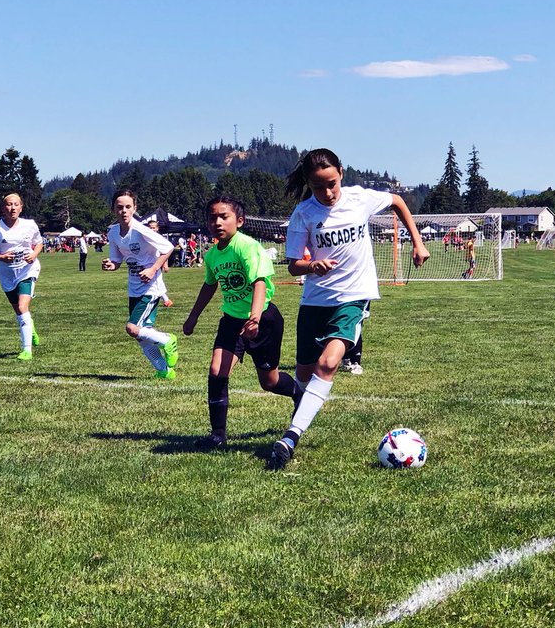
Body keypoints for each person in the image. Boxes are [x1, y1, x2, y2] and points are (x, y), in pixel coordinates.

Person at [271, 148, 429, 468]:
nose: (327, 192)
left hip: (353, 296)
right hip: (315, 302)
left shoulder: (359, 198)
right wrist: (311, 265)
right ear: (308, 184)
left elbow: (397, 202)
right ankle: (301, 412)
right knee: (303, 376)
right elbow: (293, 266)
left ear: (341, 173)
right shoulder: (303, 214)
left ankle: (290, 437)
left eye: (331, 183)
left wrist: (417, 242)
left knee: (328, 365)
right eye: (318, 186)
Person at [183, 195, 300, 447]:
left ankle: (298, 393)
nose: (217, 222)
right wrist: (193, 317)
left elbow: (259, 282)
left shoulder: (247, 247)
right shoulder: (213, 255)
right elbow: (209, 285)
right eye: (212, 217)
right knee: (217, 371)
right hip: (232, 321)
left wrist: (255, 317)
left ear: (240, 220)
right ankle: (218, 435)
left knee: (269, 382)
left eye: (224, 216)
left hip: (263, 319)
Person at [102, 189, 179, 379]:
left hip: (151, 288)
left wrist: (153, 269)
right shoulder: (113, 232)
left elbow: (168, 247)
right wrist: (110, 265)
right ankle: (164, 371)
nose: (124, 211)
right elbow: (117, 261)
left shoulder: (141, 229)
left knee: (132, 328)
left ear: (135, 208)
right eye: (120, 207)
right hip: (134, 287)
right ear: (113, 209)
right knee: (141, 334)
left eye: (128, 207)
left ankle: (168, 340)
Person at [0, 193, 43, 361]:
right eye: (9, 205)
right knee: (19, 311)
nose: (13, 208)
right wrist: (1, 257)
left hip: (27, 270)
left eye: (16, 204)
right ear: (3, 208)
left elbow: (39, 242)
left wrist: (34, 254)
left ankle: (26, 350)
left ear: (21, 207)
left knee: (23, 307)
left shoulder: (30, 225)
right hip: (7, 274)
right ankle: (31, 329)